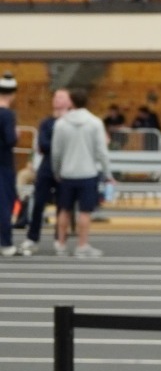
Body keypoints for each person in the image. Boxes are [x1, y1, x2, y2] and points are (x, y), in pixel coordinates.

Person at [49, 89, 110, 259]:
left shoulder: (61, 123)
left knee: (64, 210)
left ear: (71, 102)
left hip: (67, 172)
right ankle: (82, 245)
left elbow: (56, 152)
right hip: (88, 172)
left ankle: (61, 244)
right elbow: (101, 151)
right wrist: (108, 172)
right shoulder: (95, 122)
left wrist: (57, 170)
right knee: (85, 211)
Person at [17, 87, 68, 255]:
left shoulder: (70, 123)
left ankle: (59, 239)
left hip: (65, 166)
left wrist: (56, 146)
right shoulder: (46, 123)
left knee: (63, 205)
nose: (57, 100)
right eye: (56, 97)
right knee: (39, 202)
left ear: (69, 101)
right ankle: (32, 237)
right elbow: (43, 145)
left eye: (61, 97)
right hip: (46, 167)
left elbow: (69, 145)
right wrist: (58, 146)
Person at [0, 73, 17, 256]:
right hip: (3, 164)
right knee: (4, 204)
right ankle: (5, 243)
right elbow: (10, 139)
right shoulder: (7, 115)